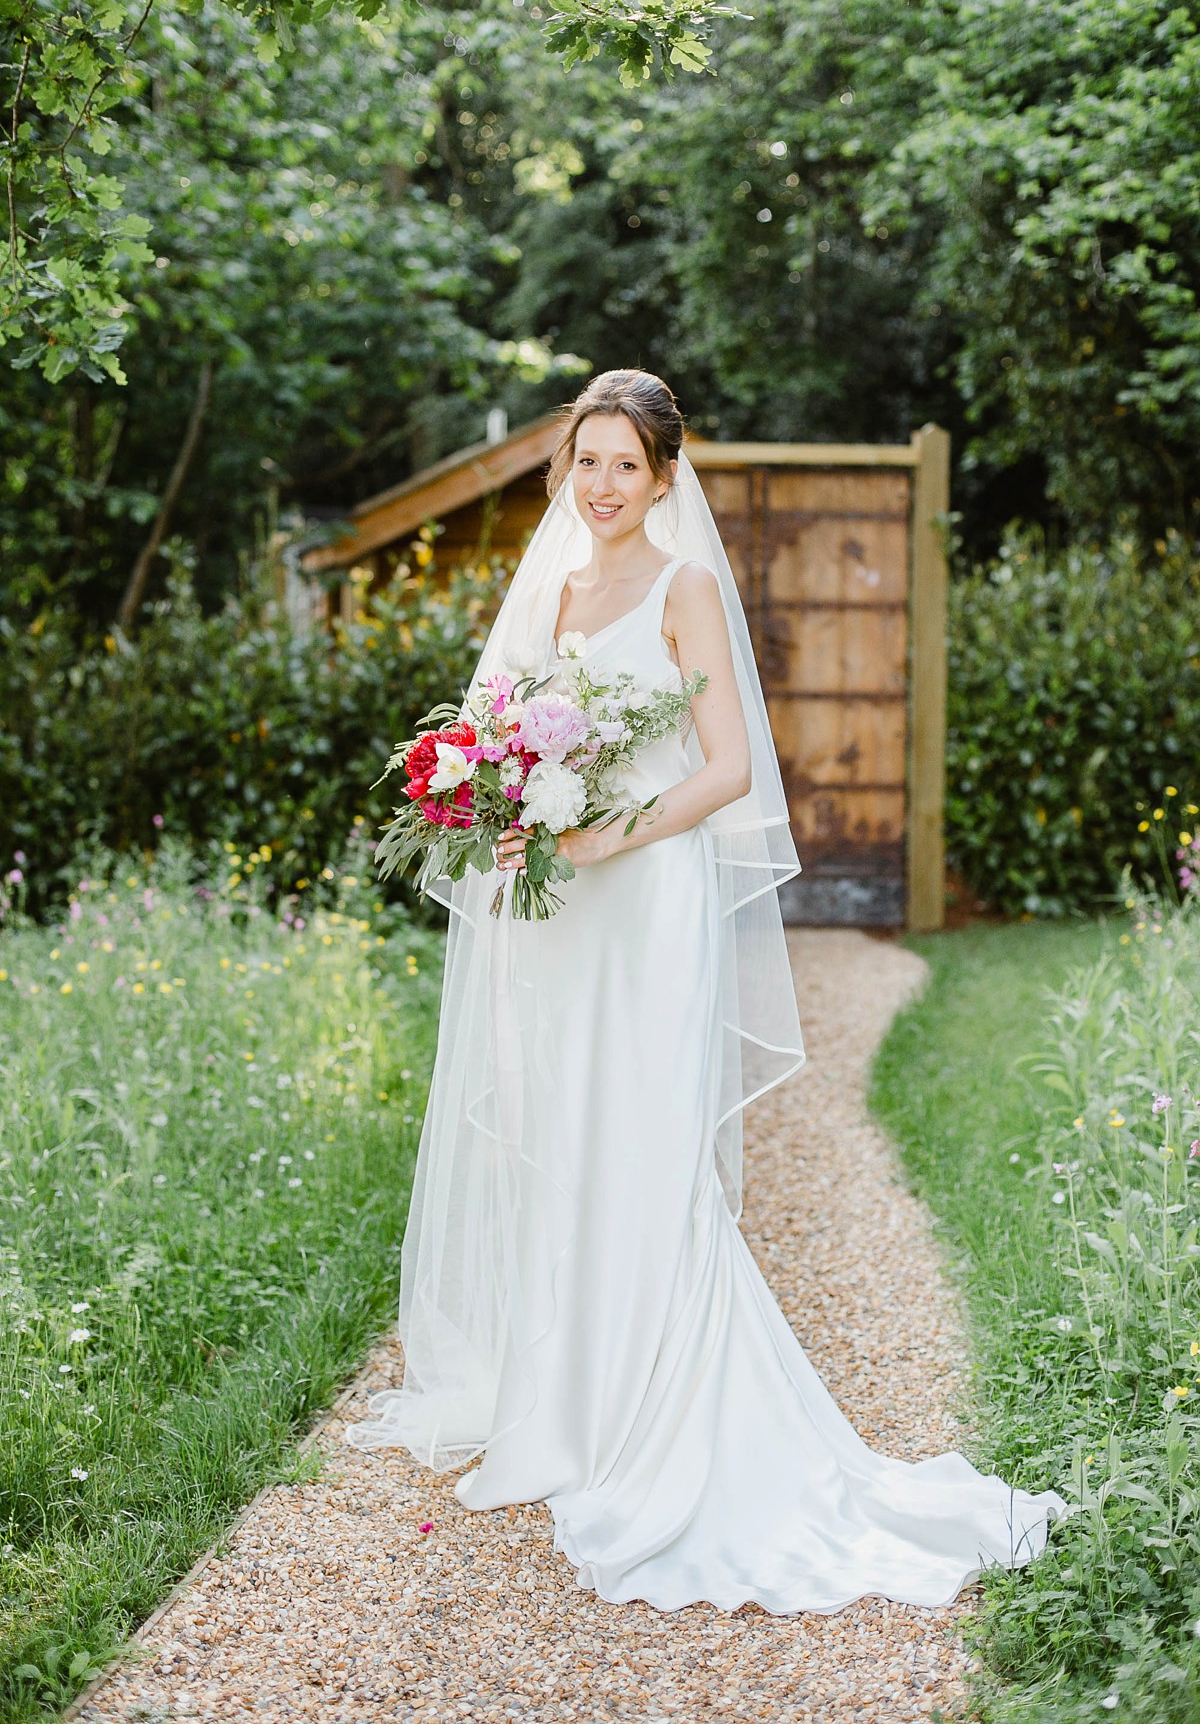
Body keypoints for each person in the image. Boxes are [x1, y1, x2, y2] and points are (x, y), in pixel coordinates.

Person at [346, 368, 1066, 1613]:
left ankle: (673, 1419)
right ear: (565, 472)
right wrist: (508, 818)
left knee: (647, 1141)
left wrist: (607, 832)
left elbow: (728, 769)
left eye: (628, 463)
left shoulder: (685, 589)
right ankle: (574, 1407)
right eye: (588, 462)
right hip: (568, 913)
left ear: (667, 475)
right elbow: (503, 749)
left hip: (651, 902)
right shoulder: (559, 593)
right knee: (568, 1141)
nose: (605, 484)